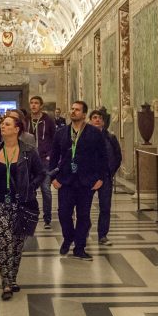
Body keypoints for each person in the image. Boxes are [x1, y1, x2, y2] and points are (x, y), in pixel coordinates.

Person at [0, 115, 46, 300]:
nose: (3, 126)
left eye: (7, 124)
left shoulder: (28, 151)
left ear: (17, 129)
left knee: (17, 245)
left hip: (21, 204)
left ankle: (12, 277)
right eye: (2, 124)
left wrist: (30, 187)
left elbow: (41, 173)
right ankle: (7, 283)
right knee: (3, 242)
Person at [50, 101, 107, 261]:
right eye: (72, 109)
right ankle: (68, 237)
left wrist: (100, 178)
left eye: (77, 110)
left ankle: (79, 247)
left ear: (84, 114)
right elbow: (54, 157)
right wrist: (53, 177)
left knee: (83, 216)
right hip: (65, 181)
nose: (73, 112)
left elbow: (102, 157)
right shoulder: (61, 133)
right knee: (63, 214)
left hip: (86, 181)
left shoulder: (94, 133)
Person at [89, 109, 122, 245]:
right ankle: (84, 229)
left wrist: (110, 172)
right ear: (90, 121)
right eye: (94, 117)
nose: (97, 120)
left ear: (103, 121)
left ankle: (102, 234)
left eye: (99, 118)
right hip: (89, 178)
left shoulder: (110, 137)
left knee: (105, 207)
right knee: (84, 206)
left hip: (106, 177)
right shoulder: (84, 137)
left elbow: (118, 156)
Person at [28, 96, 56, 230]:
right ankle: (30, 216)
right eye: (32, 103)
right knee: (29, 190)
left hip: (44, 160)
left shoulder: (48, 120)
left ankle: (47, 219)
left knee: (46, 190)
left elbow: (54, 139)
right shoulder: (26, 120)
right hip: (29, 160)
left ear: (41, 105)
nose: (33, 105)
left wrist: (50, 155)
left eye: (36, 103)